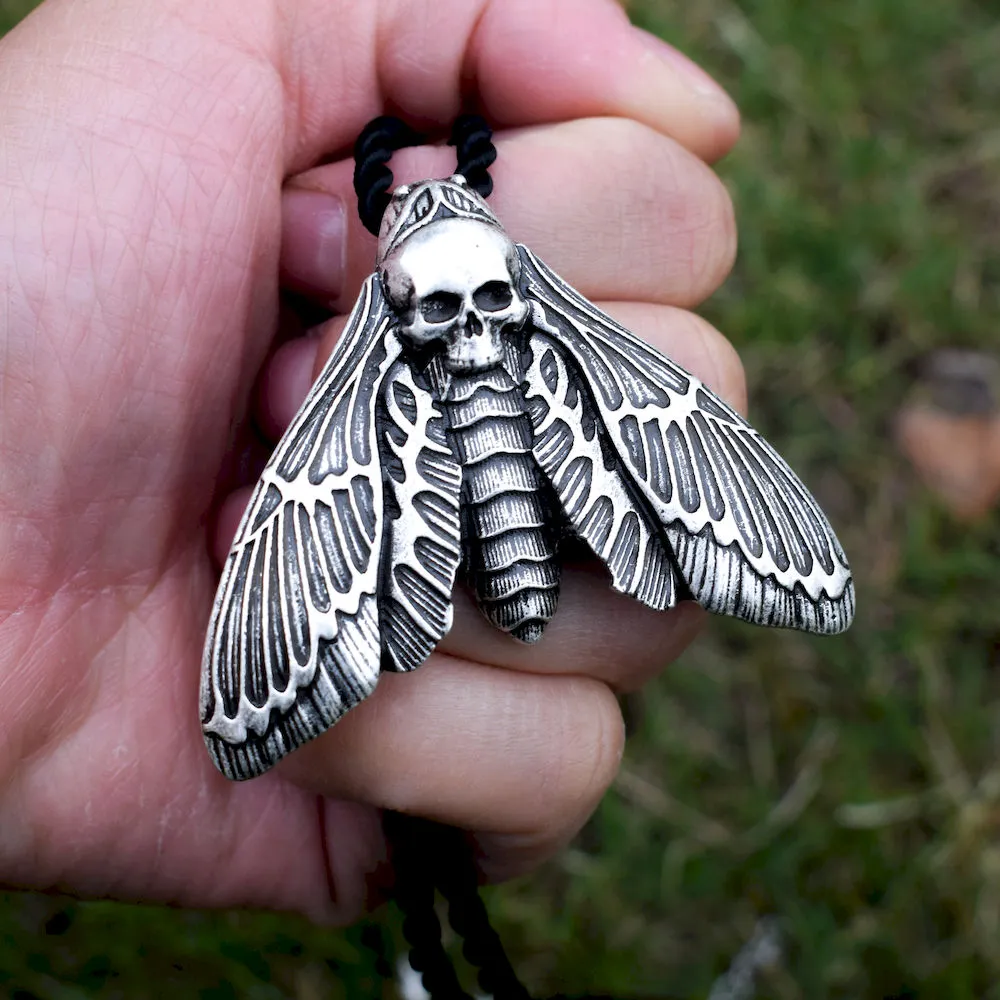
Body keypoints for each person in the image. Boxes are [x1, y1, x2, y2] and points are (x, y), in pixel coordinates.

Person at [0, 0, 743, 924]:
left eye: (487, 303)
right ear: (401, 297)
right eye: (440, 310)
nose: (467, 330)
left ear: (515, 287)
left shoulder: (412, 298)